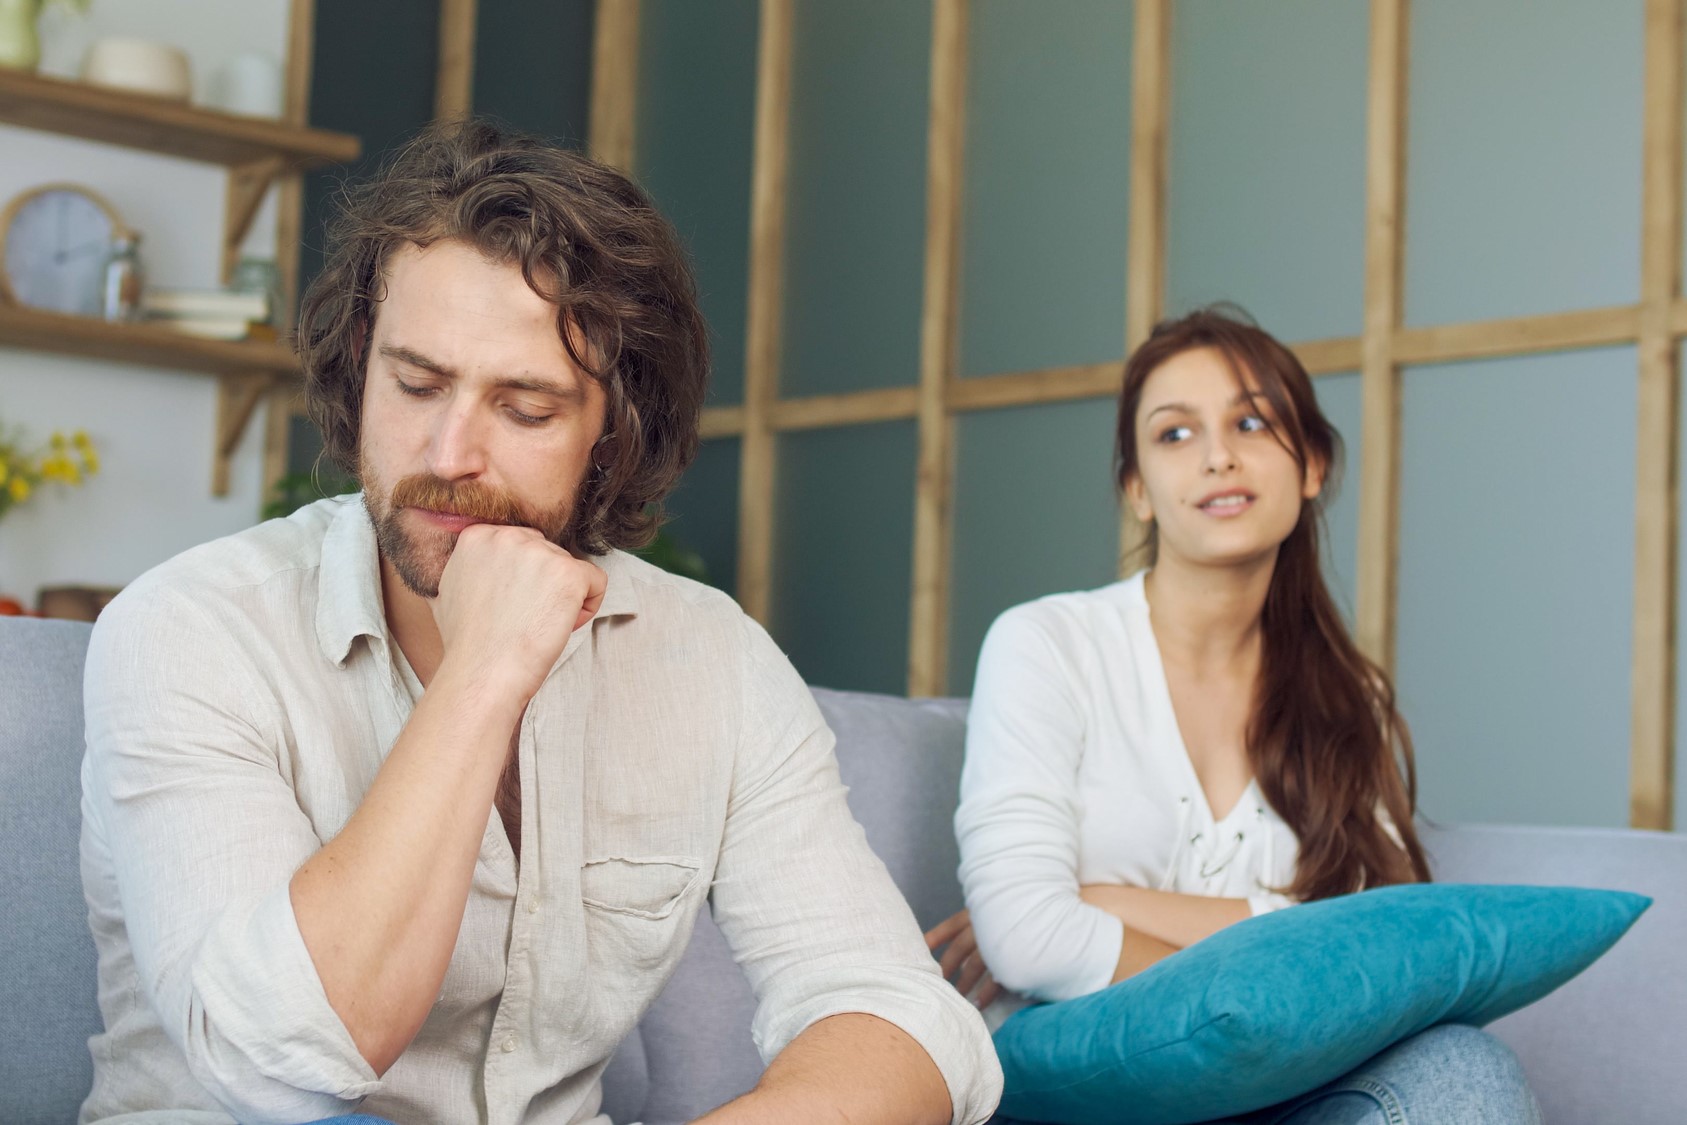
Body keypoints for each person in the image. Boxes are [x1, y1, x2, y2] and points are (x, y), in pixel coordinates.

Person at [78, 121, 1000, 1125]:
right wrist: (486, 668)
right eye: (416, 383)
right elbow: (285, 1056)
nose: (449, 450)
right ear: (358, 363)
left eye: (525, 410)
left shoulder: (709, 658)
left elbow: (898, 1012)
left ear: (615, 430)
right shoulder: (193, 629)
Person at [926, 307, 1539, 1123]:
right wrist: (1274, 977)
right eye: (1174, 434)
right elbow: (1023, 937)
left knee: (1465, 1067)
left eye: (1250, 421)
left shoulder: (1347, 699)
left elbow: (1373, 942)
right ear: (1137, 490)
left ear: (1311, 463)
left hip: (1280, 1092)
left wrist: (1106, 898)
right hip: (1081, 1083)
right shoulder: (1046, 643)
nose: (1217, 455)